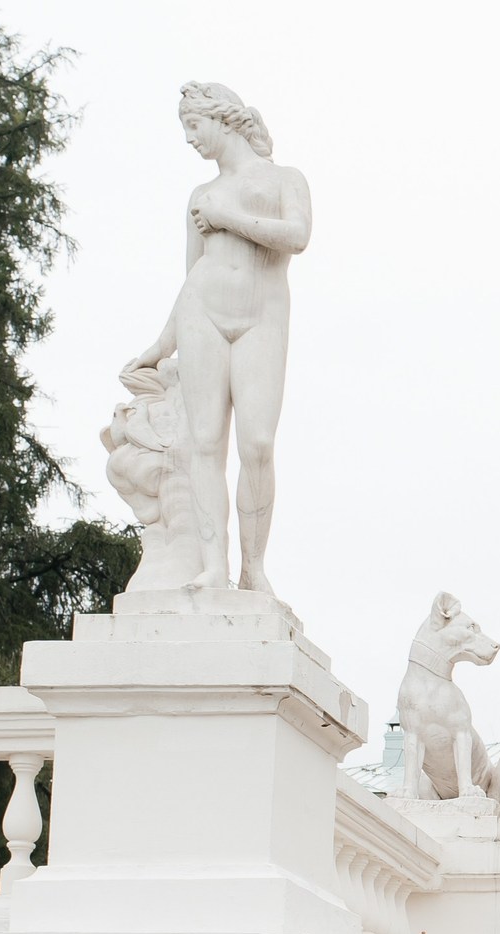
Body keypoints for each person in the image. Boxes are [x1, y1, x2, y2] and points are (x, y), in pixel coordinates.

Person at [124, 82, 312, 594]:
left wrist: (229, 219)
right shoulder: (198, 197)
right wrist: (163, 343)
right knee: (205, 444)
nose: (189, 140)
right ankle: (214, 566)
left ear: (221, 120)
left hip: (262, 319)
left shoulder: (285, 180)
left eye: (193, 126)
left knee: (257, 444)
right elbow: (192, 278)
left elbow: (297, 236)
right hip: (202, 316)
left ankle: (254, 566)